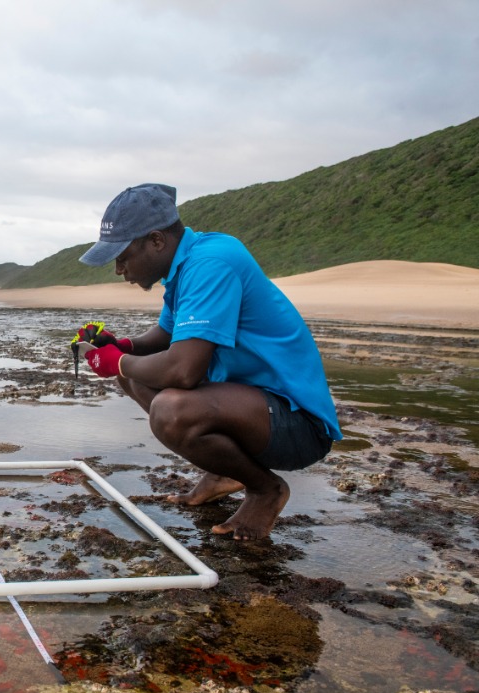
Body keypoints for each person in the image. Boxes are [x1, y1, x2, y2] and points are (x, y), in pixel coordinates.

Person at [74, 184, 342, 541]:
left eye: (123, 256)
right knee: (134, 374)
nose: (119, 269)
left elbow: (184, 371)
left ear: (156, 241)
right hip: (250, 406)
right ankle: (224, 471)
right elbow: (165, 338)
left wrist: (117, 362)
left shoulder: (211, 262)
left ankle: (265, 489)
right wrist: (120, 345)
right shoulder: (184, 266)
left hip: (299, 425)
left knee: (172, 408)